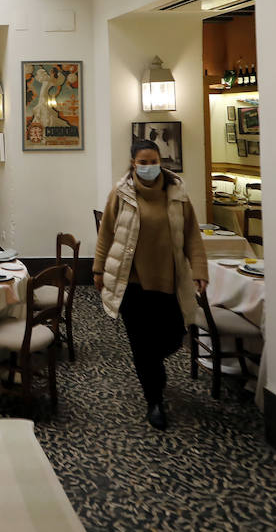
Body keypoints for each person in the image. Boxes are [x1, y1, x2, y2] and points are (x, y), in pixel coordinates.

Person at [93, 139, 208, 430]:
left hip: (169, 280)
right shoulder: (120, 194)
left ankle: (151, 366)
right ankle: (154, 400)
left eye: (152, 161)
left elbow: (193, 233)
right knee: (142, 343)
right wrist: (97, 270)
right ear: (133, 163)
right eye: (142, 162)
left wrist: (199, 269)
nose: (147, 167)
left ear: (160, 161)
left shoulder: (177, 194)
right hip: (131, 283)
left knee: (172, 336)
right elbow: (106, 233)